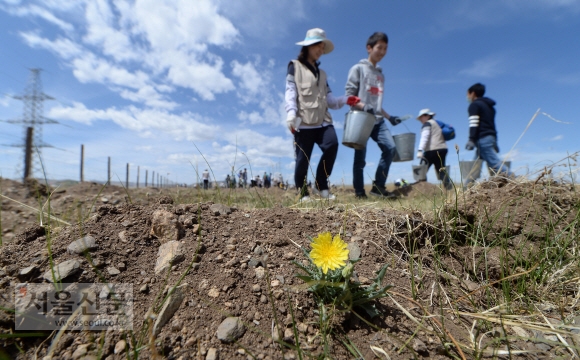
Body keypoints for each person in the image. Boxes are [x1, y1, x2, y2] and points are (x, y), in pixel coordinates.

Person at [285, 28, 356, 202]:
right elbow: (290, 91)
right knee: (303, 159)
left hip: (323, 120)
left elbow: (330, 100)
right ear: (308, 46)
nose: (320, 50)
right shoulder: (294, 66)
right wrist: (291, 114)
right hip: (304, 121)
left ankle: (320, 185)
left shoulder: (322, 74)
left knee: (332, 145)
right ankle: (302, 193)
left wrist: (346, 99)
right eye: (317, 45)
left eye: (323, 47)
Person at [345, 32, 404, 199]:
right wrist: (364, 106)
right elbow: (349, 96)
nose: (383, 52)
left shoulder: (381, 75)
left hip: (377, 121)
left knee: (390, 148)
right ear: (369, 48)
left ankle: (378, 187)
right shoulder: (357, 69)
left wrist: (389, 116)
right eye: (379, 47)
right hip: (360, 120)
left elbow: (376, 104)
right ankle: (359, 192)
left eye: (385, 48)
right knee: (360, 159)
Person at [464, 83, 513, 185]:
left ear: (472, 93)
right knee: (475, 166)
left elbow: (474, 123)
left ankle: (517, 180)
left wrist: (471, 139)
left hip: (482, 139)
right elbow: (492, 125)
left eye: (467, 94)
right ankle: (466, 188)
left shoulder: (474, 105)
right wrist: (495, 142)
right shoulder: (490, 107)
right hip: (490, 137)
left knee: (494, 163)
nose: (467, 97)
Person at [416, 108, 452, 189]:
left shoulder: (427, 124)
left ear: (427, 116)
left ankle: (422, 188)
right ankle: (449, 189)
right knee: (441, 169)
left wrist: (420, 150)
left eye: (421, 117)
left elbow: (425, 137)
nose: (420, 120)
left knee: (422, 168)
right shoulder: (437, 123)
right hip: (442, 149)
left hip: (432, 150)